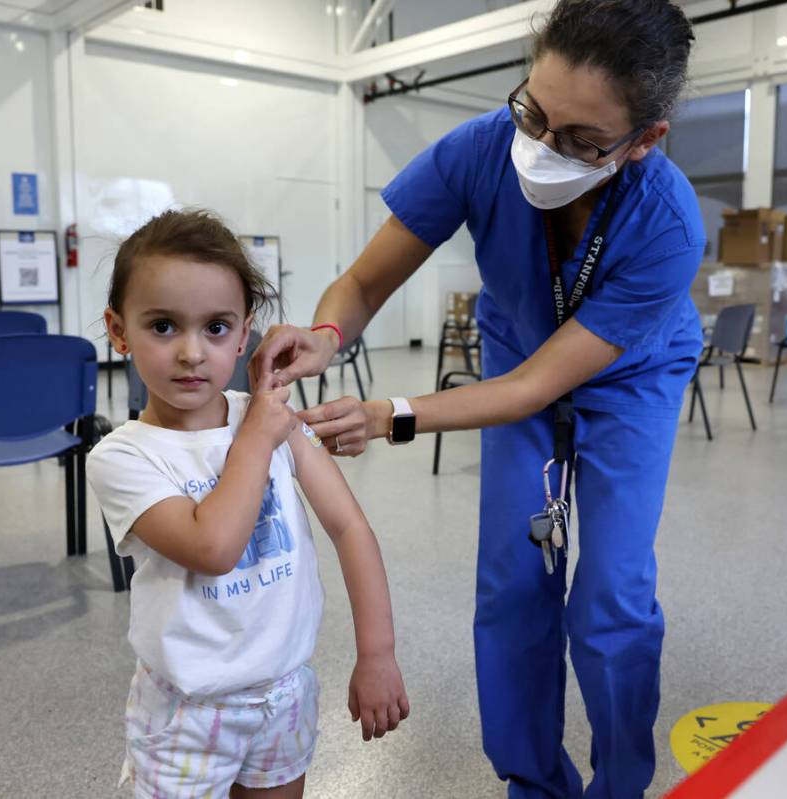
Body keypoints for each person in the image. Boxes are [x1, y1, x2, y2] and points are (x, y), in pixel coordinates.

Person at [252, 2, 702, 796]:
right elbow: (361, 283)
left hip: (630, 377)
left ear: (644, 141)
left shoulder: (666, 226)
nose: (539, 146)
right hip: (516, 351)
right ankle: (531, 780)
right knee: (513, 581)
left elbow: (535, 388)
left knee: (609, 596)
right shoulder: (480, 150)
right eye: (533, 111)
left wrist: (391, 414)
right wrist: (326, 332)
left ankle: (620, 782)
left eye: (579, 139)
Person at [87, 209, 409, 799]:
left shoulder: (269, 419)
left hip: (284, 692)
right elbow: (213, 547)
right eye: (162, 326)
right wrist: (259, 435)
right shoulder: (124, 457)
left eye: (215, 328)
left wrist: (378, 653)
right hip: (186, 711)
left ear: (245, 334)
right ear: (118, 330)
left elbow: (349, 528)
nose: (191, 352)